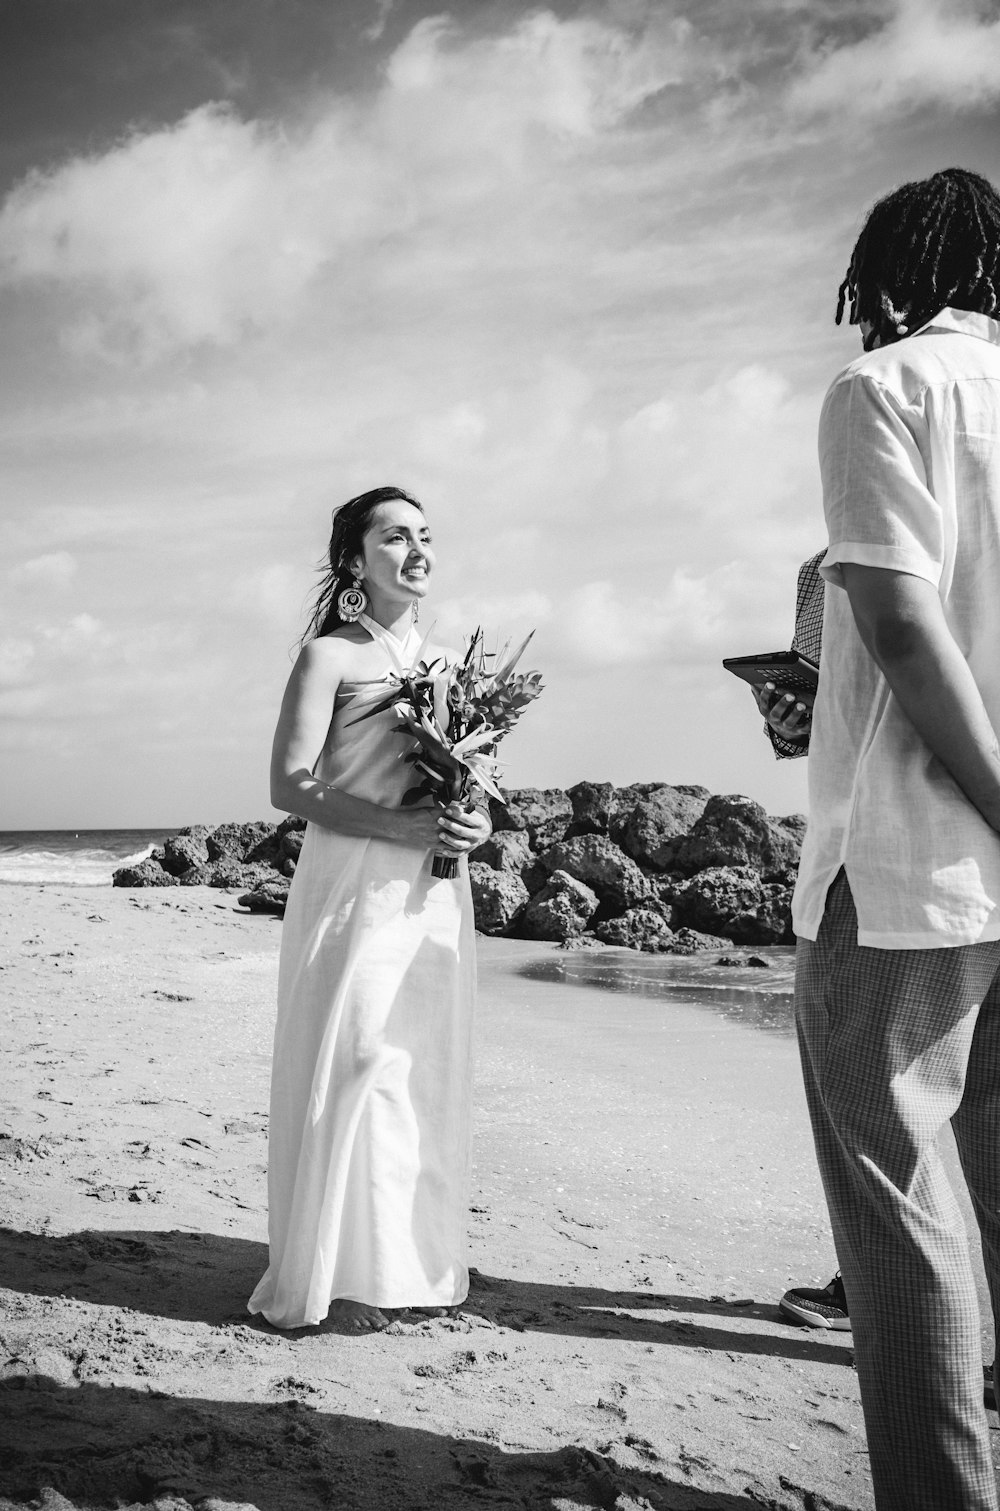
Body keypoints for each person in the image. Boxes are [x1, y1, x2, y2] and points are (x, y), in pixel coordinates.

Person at [792, 167, 1000, 1510]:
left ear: (888, 269)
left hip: (916, 853)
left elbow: (907, 625)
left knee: (902, 1196)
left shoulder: (888, 389)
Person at [248, 486, 491, 1333]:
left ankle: (404, 1273)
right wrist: (397, 824)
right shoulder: (330, 657)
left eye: (426, 534)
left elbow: (474, 781)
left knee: (416, 1067)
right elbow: (289, 783)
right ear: (356, 561)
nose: (418, 550)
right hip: (350, 884)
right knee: (353, 1059)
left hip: (433, 892)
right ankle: (333, 1272)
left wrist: (475, 819)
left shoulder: (454, 663)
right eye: (395, 537)